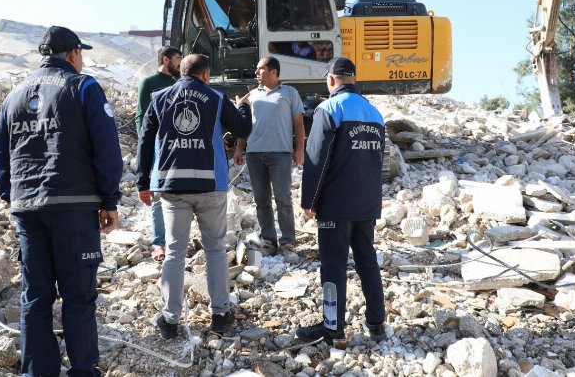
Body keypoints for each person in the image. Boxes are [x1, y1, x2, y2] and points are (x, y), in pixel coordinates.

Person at [0, 26, 123, 376]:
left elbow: (2, 156)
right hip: (74, 208)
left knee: (35, 298)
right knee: (78, 296)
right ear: (72, 54)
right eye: (81, 54)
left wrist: (12, 197)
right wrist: (109, 200)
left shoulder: (14, 95)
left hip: (27, 209)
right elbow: (107, 149)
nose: (82, 60)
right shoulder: (84, 87)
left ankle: (38, 372)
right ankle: (83, 371)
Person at [136, 54, 252, 339]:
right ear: (205, 75)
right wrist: (245, 107)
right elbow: (242, 129)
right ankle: (221, 314)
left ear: (181, 73)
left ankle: (170, 319)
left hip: (173, 188)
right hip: (211, 185)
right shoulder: (215, 97)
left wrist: (142, 181)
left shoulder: (160, 97)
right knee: (214, 250)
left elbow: (145, 140)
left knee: (174, 252)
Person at [297, 57, 387, 344]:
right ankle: (377, 323)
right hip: (367, 203)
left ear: (331, 80)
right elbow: (376, 162)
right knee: (367, 262)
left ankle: (332, 326)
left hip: (336, 204)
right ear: (353, 78)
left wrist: (308, 199)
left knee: (334, 265)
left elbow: (316, 159)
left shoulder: (329, 108)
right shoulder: (374, 113)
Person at [233, 56, 305, 257]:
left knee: (283, 198)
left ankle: (288, 241)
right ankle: (269, 241)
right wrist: (240, 148)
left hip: (280, 154)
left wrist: (300, 150)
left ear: (273, 72)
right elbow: (244, 124)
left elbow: (299, 124)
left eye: (260, 69)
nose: (256, 72)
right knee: (261, 200)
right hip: (255, 154)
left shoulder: (289, 93)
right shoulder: (252, 95)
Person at [135, 46, 182, 262]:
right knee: (155, 195)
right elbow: (141, 118)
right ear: (166, 59)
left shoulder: (178, 83)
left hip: (176, 148)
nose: (180, 62)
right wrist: (148, 147)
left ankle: (177, 239)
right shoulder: (149, 83)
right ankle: (158, 241)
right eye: (177, 58)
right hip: (156, 149)